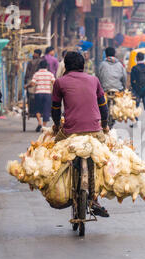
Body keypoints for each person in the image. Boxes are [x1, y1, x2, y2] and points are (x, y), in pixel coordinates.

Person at [51, 51, 110, 217]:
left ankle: (65, 187)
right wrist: (104, 125)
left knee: (55, 149)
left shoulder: (60, 82)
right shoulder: (94, 80)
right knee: (102, 157)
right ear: (83, 66)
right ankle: (95, 197)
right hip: (94, 130)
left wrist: (56, 126)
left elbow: (55, 109)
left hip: (71, 131)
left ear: (66, 66)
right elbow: (103, 107)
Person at [25, 60, 55, 132]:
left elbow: (32, 84)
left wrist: (27, 86)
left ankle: (39, 123)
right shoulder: (50, 74)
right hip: (48, 94)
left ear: (40, 66)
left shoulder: (36, 74)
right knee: (46, 110)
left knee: (37, 109)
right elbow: (54, 83)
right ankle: (44, 126)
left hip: (38, 93)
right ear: (46, 66)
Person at [131, 52, 145, 129]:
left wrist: (134, 89)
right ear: (143, 58)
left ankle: (136, 122)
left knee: (136, 107)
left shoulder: (134, 68)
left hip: (137, 91)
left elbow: (132, 81)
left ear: (137, 58)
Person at [24, 49, 42, 117]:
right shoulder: (42, 61)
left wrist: (25, 82)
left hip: (31, 80)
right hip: (39, 80)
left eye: (34, 53)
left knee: (30, 97)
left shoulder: (31, 62)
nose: (33, 55)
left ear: (38, 54)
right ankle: (38, 111)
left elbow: (27, 73)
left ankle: (31, 111)